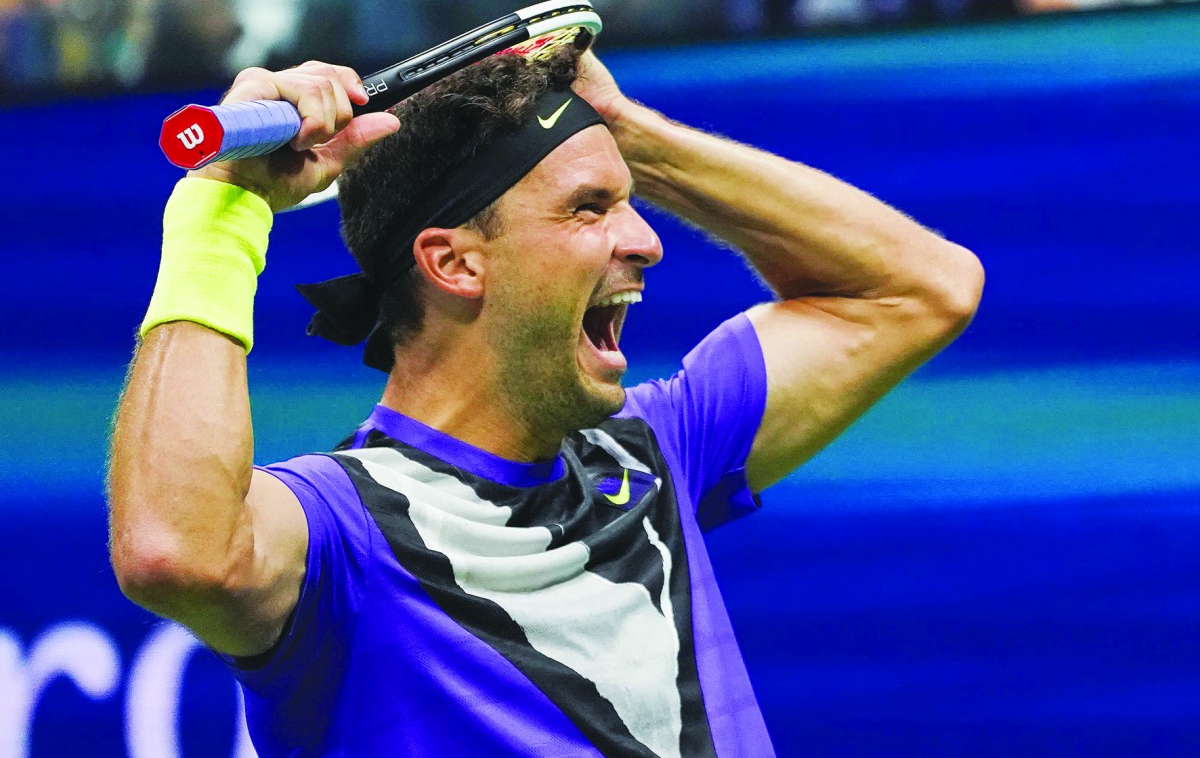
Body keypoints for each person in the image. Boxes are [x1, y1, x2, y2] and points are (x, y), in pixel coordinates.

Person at [108, 44, 983, 757]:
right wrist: (223, 211)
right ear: (454, 262)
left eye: (628, 202)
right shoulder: (343, 532)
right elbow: (175, 552)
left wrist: (634, 136)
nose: (646, 242)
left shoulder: (659, 448)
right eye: (589, 208)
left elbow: (922, 288)